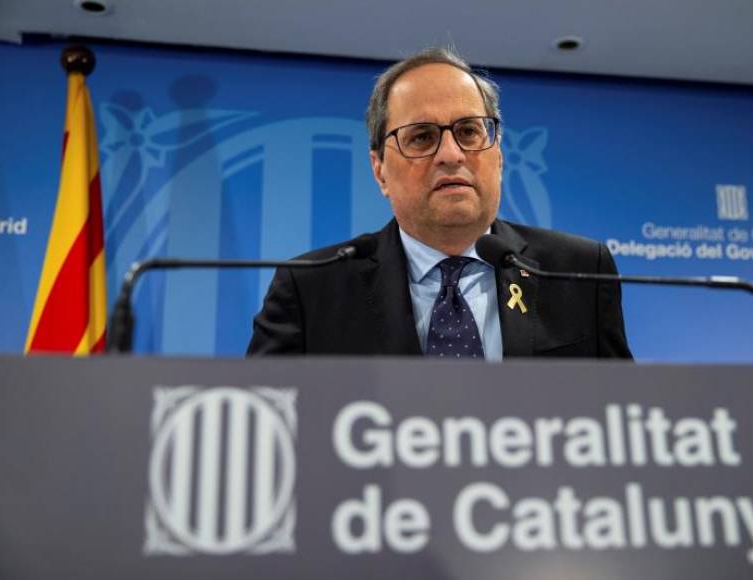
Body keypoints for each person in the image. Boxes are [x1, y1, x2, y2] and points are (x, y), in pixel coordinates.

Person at [247, 48, 632, 360]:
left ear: (498, 154)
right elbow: (261, 430)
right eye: (421, 137)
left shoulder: (579, 272)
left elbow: (623, 421)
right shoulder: (311, 288)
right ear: (379, 169)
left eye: (468, 131)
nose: (451, 154)